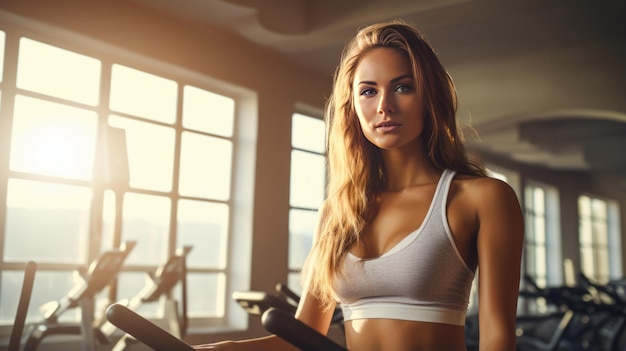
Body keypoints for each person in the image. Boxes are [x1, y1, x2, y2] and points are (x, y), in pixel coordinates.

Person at [194, 19, 524, 351]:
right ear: (352, 107)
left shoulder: (482, 198)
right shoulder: (337, 213)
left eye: (402, 87)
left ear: (429, 97)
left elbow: (498, 336)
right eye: (368, 91)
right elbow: (300, 338)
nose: (384, 106)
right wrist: (224, 349)